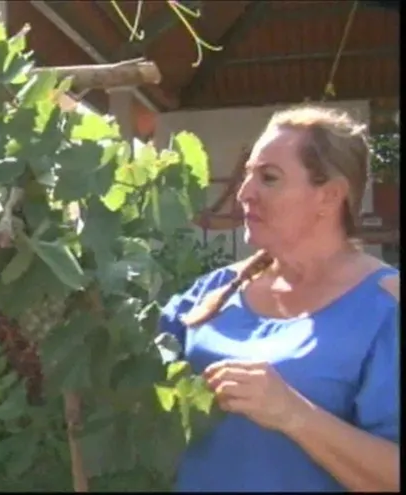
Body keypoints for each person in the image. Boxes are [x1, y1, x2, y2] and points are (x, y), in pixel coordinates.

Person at [159, 105, 399, 492]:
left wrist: (294, 414)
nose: (244, 193)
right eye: (248, 174)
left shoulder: (386, 307)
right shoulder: (214, 290)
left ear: (329, 196)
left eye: (268, 178)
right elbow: (129, 368)